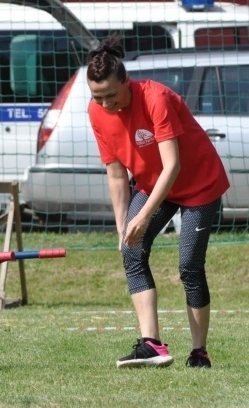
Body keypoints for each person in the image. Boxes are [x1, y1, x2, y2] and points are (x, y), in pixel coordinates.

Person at [86, 36, 230, 369]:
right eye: (97, 97)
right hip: (152, 185)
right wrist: (123, 225)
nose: (105, 104)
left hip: (199, 186)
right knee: (131, 251)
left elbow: (173, 166)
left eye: (110, 95)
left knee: (188, 267)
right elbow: (116, 174)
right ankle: (151, 344)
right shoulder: (96, 112)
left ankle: (199, 352)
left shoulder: (156, 98)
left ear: (126, 82)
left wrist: (143, 216)